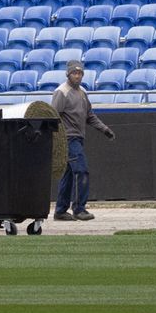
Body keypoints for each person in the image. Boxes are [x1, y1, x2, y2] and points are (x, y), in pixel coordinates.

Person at [51, 60, 115, 222]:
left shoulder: (82, 93)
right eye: (74, 73)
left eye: (80, 73)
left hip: (78, 138)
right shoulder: (61, 92)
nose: (77, 76)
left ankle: (60, 211)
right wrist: (57, 140)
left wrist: (104, 129)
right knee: (81, 170)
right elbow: (53, 117)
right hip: (68, 138)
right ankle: (79, 208)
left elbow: (90, 116)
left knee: (69, 175)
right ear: (68, 74)